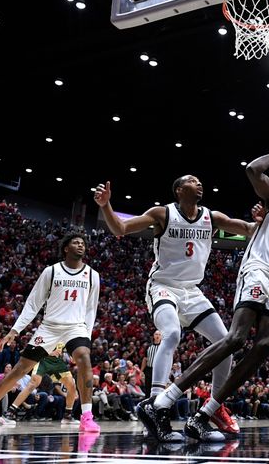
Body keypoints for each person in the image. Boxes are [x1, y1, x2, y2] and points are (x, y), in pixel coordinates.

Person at [149, 139, 269, 442]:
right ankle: (164, 399)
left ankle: (205, 413)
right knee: (236, 338)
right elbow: (253, 170)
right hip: (259, 270)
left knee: (265, 345)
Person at [93, 176, 257, 442]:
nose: (200, 183)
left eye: (201, 181)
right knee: (171, 333)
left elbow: (249, 229)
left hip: (192, 291)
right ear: (179, 189)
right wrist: (105, 205)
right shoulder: (162, 213)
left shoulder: (211, 217)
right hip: (163, 286)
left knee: (227, 342)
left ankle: (214, 408)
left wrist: (261, 218)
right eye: (193, 181)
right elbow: (120, 227)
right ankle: (156, 406)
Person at [0, 233, 101, 433]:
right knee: (20, 368)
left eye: (83, 243)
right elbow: (33, 303)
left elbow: (91, 308)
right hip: (50, 327)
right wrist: (15, 330)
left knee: (84, 358)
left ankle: (86, 416)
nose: (81, 245)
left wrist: (87, 336)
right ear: (66, 248)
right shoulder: (51, 271)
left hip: (76, 327)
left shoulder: (92, 274)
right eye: (76, 242)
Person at [0, 343, 79, 426]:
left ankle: (67, 416)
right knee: (32, 384)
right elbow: (35, 348)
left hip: (56, 363)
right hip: (43, 360)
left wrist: (72, 357)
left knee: (71, 386)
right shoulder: (46, 333)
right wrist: (49, 353)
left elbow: (69, 351)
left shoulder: (66, 337)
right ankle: (9, 413)